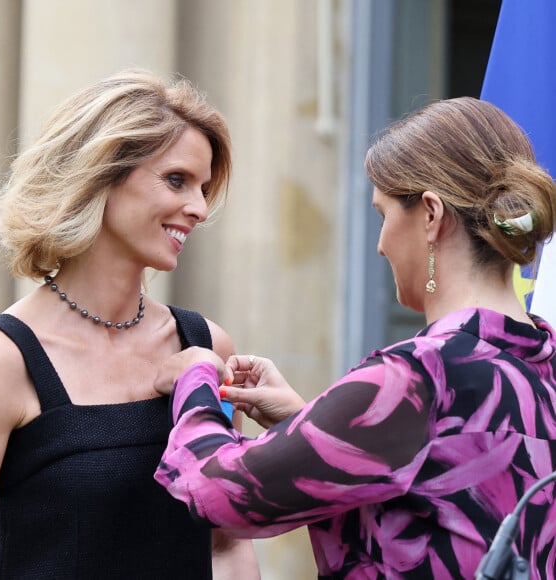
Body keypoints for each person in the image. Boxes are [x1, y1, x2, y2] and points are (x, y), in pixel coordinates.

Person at [153, 96, 556, 579]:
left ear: (430, 214)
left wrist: (195, 378)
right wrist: (307, 422)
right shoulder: (541, 367)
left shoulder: (417, 375)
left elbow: (218, 492)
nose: (382, 243)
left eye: (383, 214)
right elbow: (437, 508)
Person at [0, 69, 259, 579]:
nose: (197, 208)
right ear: (101, 173)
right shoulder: (0, 360)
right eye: (176, 180)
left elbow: (226, 545)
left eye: (203, 187)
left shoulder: (206, 345)